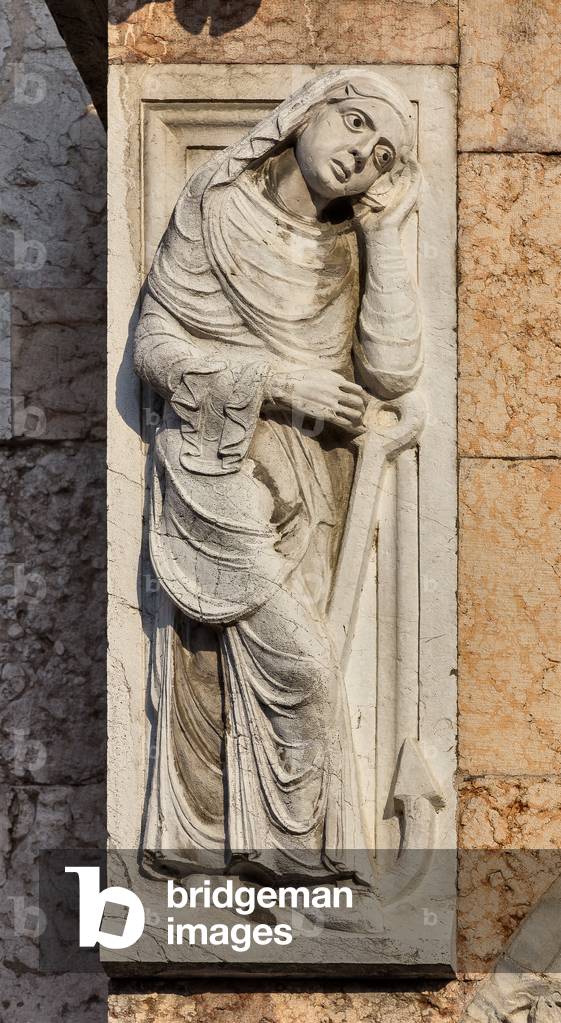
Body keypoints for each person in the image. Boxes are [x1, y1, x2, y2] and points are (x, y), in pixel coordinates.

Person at [134, 69, 422, 885]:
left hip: (312, 484)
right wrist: (274, 378)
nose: (358, 153)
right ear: (306, 107)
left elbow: (393, 373)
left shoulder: (351, 244)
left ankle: (283, 863)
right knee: (246, 664)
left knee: (300, 662)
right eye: (354, 121)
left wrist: (382, 234)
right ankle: (250, 859)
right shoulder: (214, 202)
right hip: (215, 471)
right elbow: (155, 351)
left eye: (381, 153)